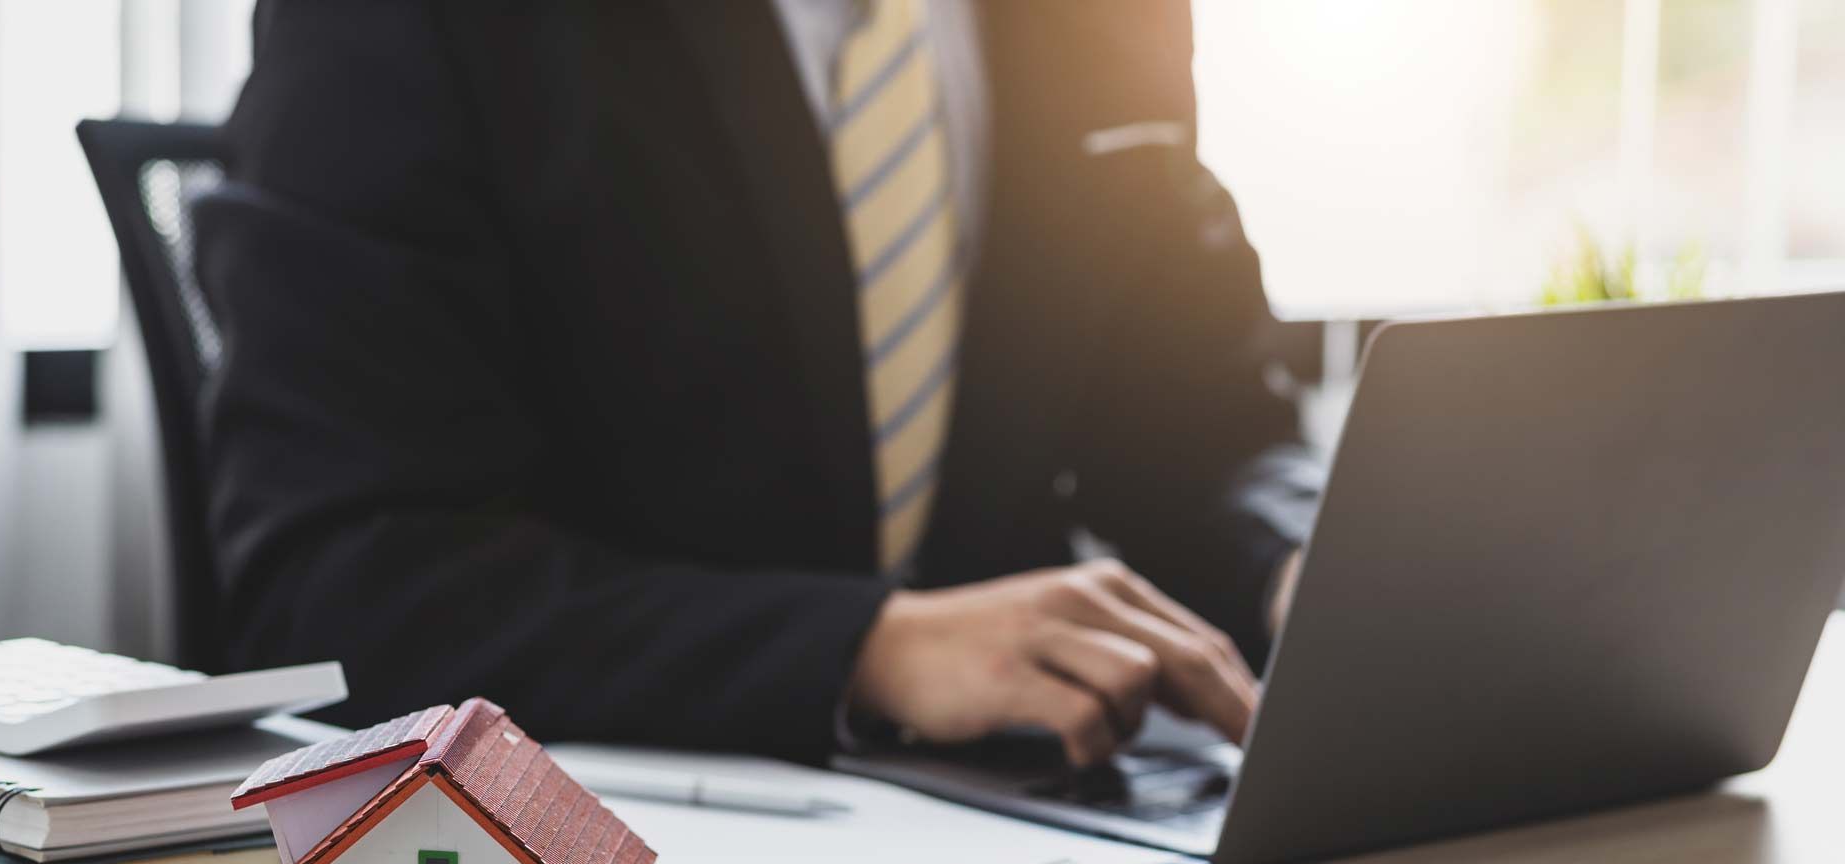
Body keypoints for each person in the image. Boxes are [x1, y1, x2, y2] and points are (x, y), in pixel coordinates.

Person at [197, 0, 1324, 766]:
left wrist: (1302, 567)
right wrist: (862, 646)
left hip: (1038, 843)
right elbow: (339, 585)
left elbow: (1197, 420)